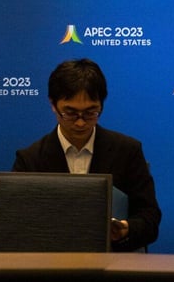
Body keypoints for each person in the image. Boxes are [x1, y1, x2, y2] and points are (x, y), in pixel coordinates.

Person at [12, 58, 161, 252]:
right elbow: (15, 225)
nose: (81, 123)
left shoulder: (127, 151)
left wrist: (124, 229)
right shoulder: (30, 160)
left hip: (113, 266)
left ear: (101, 105)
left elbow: (149, 220)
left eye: (91, 113)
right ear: (53, 104)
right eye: (71, 113)